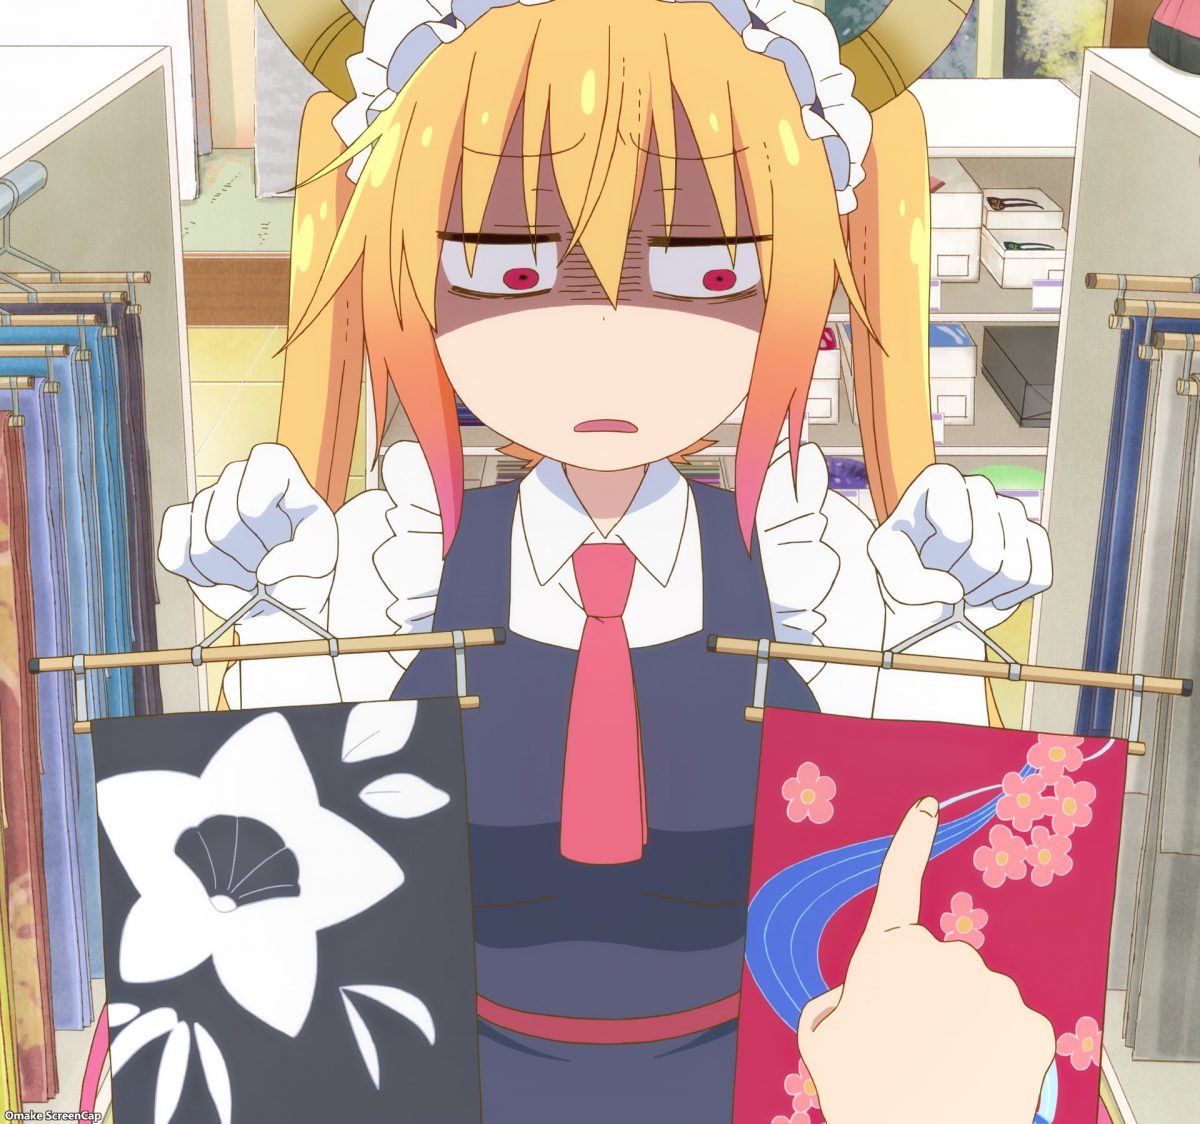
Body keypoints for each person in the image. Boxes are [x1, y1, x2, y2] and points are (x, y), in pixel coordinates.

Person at [158, 1, 1056, 1119]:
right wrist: (264, 611)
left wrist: (948, 625)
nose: (605, 339)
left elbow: (926, 844)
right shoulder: (393, 567)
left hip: (763, 1080)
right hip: (446, 1084)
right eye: (509, 270)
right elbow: (265, 873)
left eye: (707, 274)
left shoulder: (808, 570)